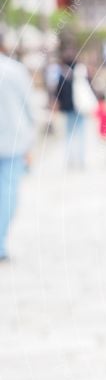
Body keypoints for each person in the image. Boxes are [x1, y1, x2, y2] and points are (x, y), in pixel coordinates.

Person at [0, 46, 35, 262]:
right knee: (8, 193)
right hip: (13, 142)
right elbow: (29, 108)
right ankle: (0, 243)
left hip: (13, 142)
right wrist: (31, 142)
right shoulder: (14, 70)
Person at [54, 47, 90, 169]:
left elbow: (58, 92)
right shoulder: (81, 72)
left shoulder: (62, 74)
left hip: (68, 108)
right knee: (81, 134)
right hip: (80, 106)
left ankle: (70, 160)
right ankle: (81, 159)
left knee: (69, 134)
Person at [94, 93, 106, 164]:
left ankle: (103, 160)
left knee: (102, 146)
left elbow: (95, 115)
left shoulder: (100, 107)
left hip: (102, 131)